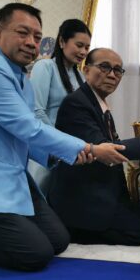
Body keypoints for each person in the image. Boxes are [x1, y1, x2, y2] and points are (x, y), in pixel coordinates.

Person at [0, 3, 129, 272]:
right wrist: (88, 148)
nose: (32, 42)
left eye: (37, 36)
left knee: (58, 240)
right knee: (35, 254)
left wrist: (58, 155)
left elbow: (23, 131)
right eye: (23, 33)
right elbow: (28, 127)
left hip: (11, 175)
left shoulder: (21, 75)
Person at [48, 48, 140, 245]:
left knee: (138, 218)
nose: (112, 75)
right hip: (82, 193)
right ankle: (72, 229)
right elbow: (105, 149)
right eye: (104, 67)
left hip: (103, 186)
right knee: (138, 234)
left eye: (118, 70)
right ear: (86, 70)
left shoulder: (98, 103)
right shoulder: (76, 104)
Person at [28, 19, 92, 191]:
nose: (83, 52)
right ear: (62, 42)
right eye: (79, 45)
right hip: (47, 148)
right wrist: (61, 143)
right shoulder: (45, 67)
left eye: (87, 47)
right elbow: (37, 111)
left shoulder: (81, 77)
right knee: (39, 194)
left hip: (72, 152)